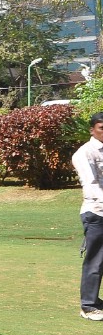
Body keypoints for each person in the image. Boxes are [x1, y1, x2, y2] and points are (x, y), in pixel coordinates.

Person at [72, 112, 103, 321]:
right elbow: (91, 186)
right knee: (96, 261)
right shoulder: (85, 153)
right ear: (92, 130)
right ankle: (89, 306)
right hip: (97, 212)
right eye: (102, 128)